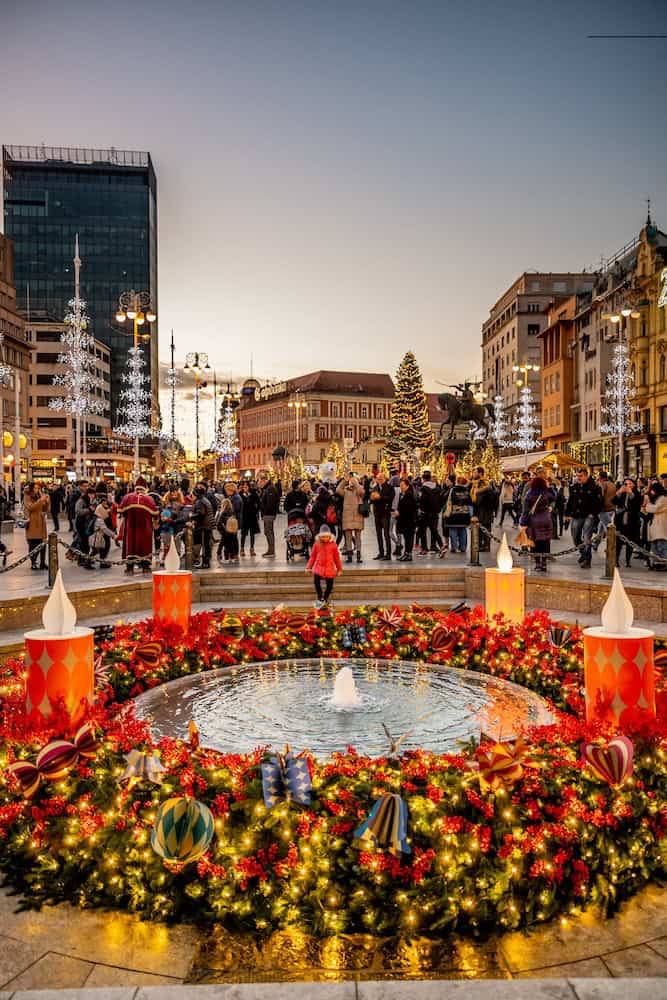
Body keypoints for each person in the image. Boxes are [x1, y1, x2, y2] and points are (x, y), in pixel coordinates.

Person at [118, 476, 158, 573]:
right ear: (145, 487)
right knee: (144, 545)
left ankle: (130, 567)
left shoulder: (127, 497)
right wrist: (156, 523)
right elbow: (155, 513)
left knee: (130, 544)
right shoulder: (149, 499)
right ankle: (145, 566)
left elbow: (120, 511)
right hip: (145, 528)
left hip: (130, 527)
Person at [564, 468, 602, 569]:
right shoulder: (574, 487)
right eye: (577, 476)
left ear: (586, 475)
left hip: (588, 516)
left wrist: (593, 514)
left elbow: (599, 502)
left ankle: (587, 559)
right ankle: (583, 553)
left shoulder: (594, 487)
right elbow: (570, 501)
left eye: (580, 476)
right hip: (577, 515)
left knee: (586, 537)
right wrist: (567, 514)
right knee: (575, 536)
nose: (578, 478)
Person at [519, 474, 555, 572]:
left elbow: (525, 511)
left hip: (534, 521)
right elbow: (555, 498)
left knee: (535, 543)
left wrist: (523, 522)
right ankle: (544, 563)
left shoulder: (529, 495)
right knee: (545, 542)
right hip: (546, 520)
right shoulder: (546, 493)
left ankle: (538, 564)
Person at [306, 524, 342, 608]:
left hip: (329, 568)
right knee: (316, 581)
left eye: (327, 537)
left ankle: (324, 598)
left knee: (330, 585)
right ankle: (320, 596)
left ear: (330, 536)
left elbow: (337, 558)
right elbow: (313, 557)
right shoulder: (317, 544)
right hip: (319, 567)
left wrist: (339, 569)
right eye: (323, 537)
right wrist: (308, 567)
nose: (325, 539)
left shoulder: (333, 545)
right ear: (320, 537)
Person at [613, 477, 642, 569]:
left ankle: (628, 561)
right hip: (620, 521)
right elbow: (613, 501)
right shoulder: (621, 493)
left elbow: (637, 504)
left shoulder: (637, 493)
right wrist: (619, 492)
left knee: (630, 541)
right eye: (626, 484)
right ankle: (616, 560)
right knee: (618, 542)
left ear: (633, 485)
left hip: (632, 521)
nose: (627, 485)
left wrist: (630, 493)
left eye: (630, 483)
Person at [336, 472, 365, 563]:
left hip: (357, 516)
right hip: (348, 516)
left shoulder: (359, 490)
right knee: (348, 536)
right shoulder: (345, 491)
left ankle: (359, 556)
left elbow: (361, 492)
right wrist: (345, 480)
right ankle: (349, 555)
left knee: (358, 536)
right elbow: (337, 490)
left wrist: (355, 482)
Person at [24, 483, 50, 570]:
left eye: (38, 488)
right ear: (31, 489)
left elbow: (45, 509)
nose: (37, 490)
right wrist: (40, 500)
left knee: (43, 543)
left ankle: (42, 562)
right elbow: (31, 507)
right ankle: (33, 562)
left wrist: (47, 502)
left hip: (41, 522)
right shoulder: (27, 496)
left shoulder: (40, 495)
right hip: (32, 522)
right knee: (33, 544)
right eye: (35, 488)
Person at [443, 476, 472, 554]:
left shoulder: (453, 490)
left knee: (453, 530)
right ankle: (463, 547)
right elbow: (470, 502)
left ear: (457, 482)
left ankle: (454, 547)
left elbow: (451, 500)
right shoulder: (466, 490)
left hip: (454, 514)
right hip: (464, 514)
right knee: (463, 530)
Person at [470, 467, 496, 552]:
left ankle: (485, 546)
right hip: (482, 511)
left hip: (484, 511)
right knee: (483, 529)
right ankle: (483, 545)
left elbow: (479, 500)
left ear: (480, 473)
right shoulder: (479, 484)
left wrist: (476, 499)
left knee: (484, 529)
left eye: (475, 472)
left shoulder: (484, 484)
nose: (473, 474)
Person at [370, 471, 394, 560]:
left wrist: (380, 497)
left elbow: (391, 498)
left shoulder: (389, 488)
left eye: (381, 479)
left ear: (385, 479)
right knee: (378, 534)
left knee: (386, 534)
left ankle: (388, 554)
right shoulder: (375, 487)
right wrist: (372, 498)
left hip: (385, 513)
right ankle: (381, 552)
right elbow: (371, 500)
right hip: (377, 514)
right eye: (378, 479)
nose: (379, 480)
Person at [417, 470, 443, 553]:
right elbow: (440, 500)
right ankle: (441, 545)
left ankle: (424, 548)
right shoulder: (437, 488)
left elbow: (421, 500)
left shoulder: (423, 488)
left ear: (423, 479)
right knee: (434, 531)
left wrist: (420, 507)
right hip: (435, 513)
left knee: (423, 531)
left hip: (425, 513)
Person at [192, 482, 215, 569]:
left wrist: (191, 516)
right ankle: (206, 562)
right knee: (206, 544)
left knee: (205, 545)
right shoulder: (204, 499)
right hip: (208, 525)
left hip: (204, 526)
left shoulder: (200, 501)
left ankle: (205, 563)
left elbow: (200, 513)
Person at [90, 496, 118, 568]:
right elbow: (104, 529)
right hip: (99, 537)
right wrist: (113, 535)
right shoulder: (99, 519)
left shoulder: (98, 514)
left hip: (99, 536)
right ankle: (99, 562)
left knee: (97, 550)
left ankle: (91, 561)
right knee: (101, 549)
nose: (107, 513)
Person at [593, 470, 617, 552]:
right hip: (612, 508)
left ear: (600, 477)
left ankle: (610, 547)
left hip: (604, 509)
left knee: (608, 530)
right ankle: (595, 544)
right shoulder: (613, 484)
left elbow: (601, 496)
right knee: (601, 528)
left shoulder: (603, 484)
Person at [646, 482, 667, 570]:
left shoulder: (664, 498)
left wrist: (647, 505)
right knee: (655, 545)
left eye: (652, 490)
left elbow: (656, 509)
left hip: (660, 524)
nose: (651, 492)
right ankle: (656, 563)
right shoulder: (656, 498)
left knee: (661, 545)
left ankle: (664, 563)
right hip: (655, 525)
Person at [396, 478, 417, 560]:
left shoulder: (409, 494)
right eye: (400, 485)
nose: (401, 487)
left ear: (407, 485)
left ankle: (408, 554)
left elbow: (409, 508)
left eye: (402, 485)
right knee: (407, 537)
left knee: (409, 538)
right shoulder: (404, 493)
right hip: (405, 520)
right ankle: (406, 553)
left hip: (409, 520)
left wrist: (399, 512)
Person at [258, 474, 279, 557]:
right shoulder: (268, 488)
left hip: (269, 514)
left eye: (260, 482)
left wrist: (265, 512)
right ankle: (270, 550)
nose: (259, 483)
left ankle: (271, 551)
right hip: (268, 514)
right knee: (268, 532)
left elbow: (270, 503)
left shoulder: (270, 489)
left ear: (264, 481)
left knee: (268, 532)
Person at [239, 480, 261, 556]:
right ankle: (242, 549)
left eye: (246, 486)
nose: (245, 488)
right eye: (243, 487)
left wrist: (255, 511)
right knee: (243, 534)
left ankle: (252, 549)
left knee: (252, 534)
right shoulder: (240, 495)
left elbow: (259, 503)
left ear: (248, 487)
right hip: (244, 517)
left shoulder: (253, 494)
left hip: (252, 517)